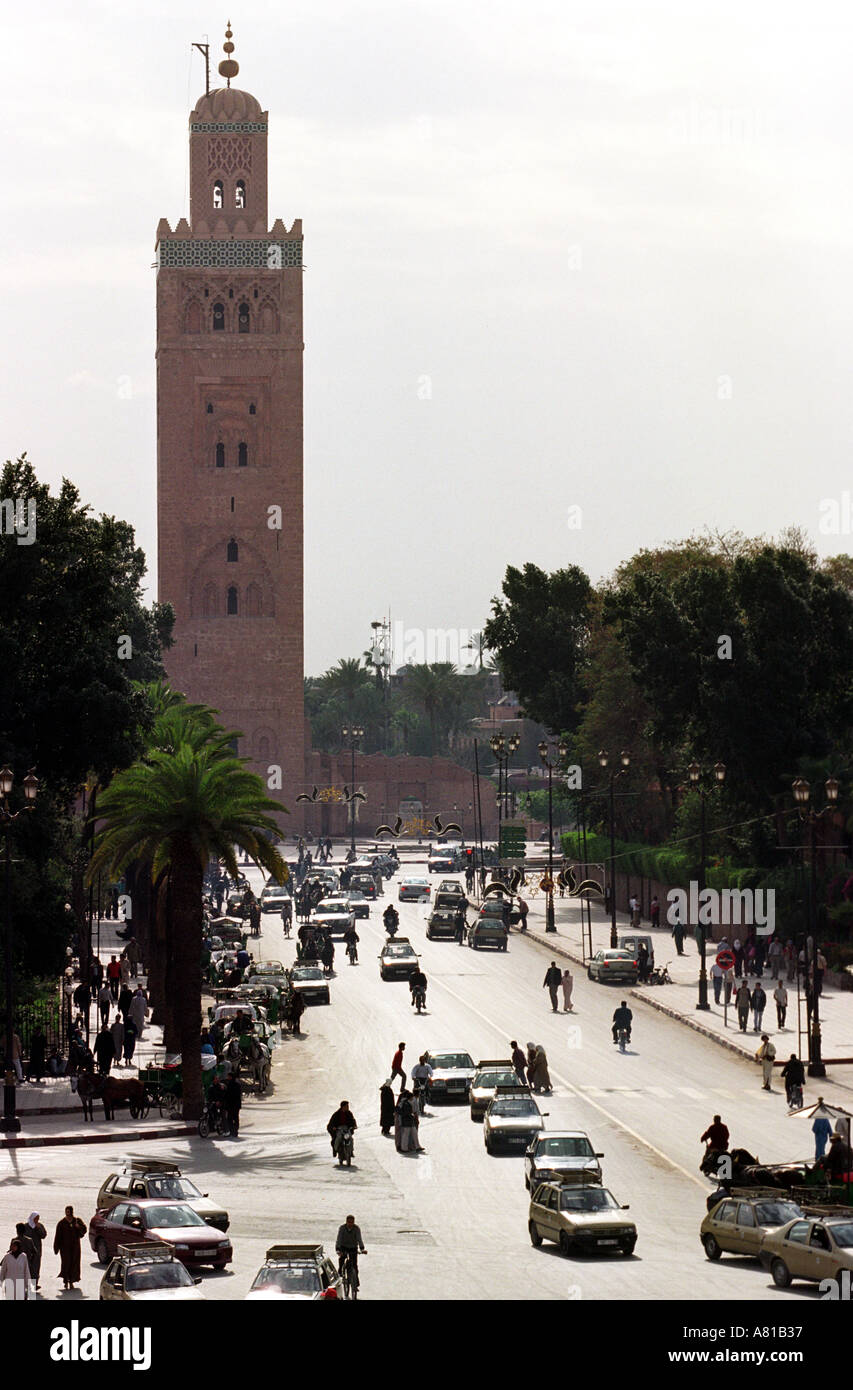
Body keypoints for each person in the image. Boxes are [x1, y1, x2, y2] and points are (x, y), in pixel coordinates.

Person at [54, 1207, 86, 1290]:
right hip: (65, 1248)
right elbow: (58, 1236)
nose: (67, 1213)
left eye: (69, 1211)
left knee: (74, 1264)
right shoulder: (61, 1223)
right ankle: (66, 1281)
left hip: (75, 1248)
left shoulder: (77, 1221)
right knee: (66, 1264)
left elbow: (84, 1230)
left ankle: (71, 1281)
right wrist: (56, 1247)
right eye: (66, 1211)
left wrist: (78, 1227)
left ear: (72, 1212)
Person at [335, 1215, 366, 1284]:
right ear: (346, 1222)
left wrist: (362, 1248)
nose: (350, 1224)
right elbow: (339, 1239)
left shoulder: (356, 1228)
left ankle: (356, 1283)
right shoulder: (342, 1228)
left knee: (354, 1266)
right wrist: (338, 1249)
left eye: (352, 1222)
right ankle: (340, 1272)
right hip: (343, 1247)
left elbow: (359, 1239)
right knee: (341, 1260)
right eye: (349, 1222)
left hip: (353, 1248)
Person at [22, 1214, 46, 1290]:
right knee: (28, 1267)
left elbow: (43, 1235)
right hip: (27, 1250)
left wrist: (38, 1228)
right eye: (35, 1218)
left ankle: (34, 1284)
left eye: (38, 1219)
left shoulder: (40, 1226)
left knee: (36, 1267)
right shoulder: (26, 1226)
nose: (36, 1220)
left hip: (37, 1250)